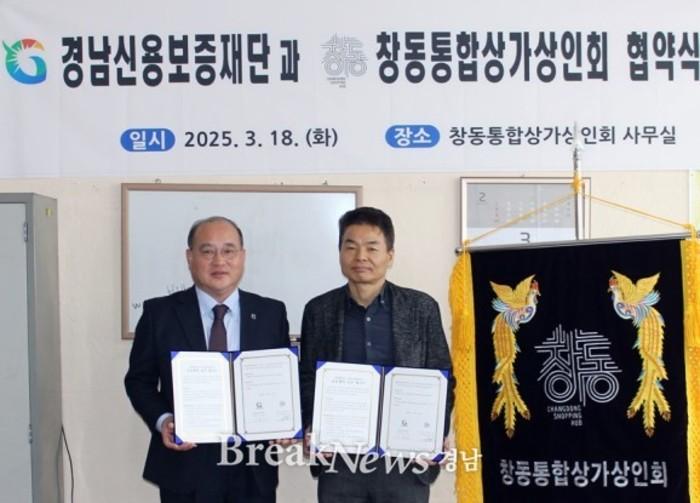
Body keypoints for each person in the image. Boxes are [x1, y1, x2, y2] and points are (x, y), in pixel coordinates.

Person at [125, 216, 289, 503]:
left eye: (228, 251)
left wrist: (285, 422)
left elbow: (283, 380)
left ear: (242, 256)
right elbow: (139, 381)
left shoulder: (271, 314)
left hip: (252, 468)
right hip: (185, 466)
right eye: (207, 251)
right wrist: (164, 420)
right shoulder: (159, 314)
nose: (219, 261)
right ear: (190, 257)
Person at [299, 206, 454, 503]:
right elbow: (307, 376)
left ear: (390, 256)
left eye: (372, 248)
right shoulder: (319, 310)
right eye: (351, 247)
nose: (361, 257)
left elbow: (442, 378)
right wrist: (311, 425)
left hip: (405, 461)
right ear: (340, 253)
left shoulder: (421, 308)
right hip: (340, 460)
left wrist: (434, 432)